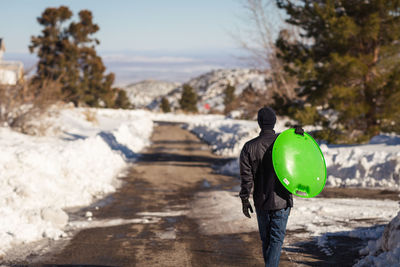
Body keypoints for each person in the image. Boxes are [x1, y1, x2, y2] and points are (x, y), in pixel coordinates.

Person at [239, 107, 295, 267]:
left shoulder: (249, 147)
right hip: (282, 200)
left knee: (267, 241)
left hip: (261, 201)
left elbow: (246, 178)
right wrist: (300, 134)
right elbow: (302, 156)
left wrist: (244, 199)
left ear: (259, 123)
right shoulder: (284, 142)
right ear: (275, 122)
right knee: (276, 241)